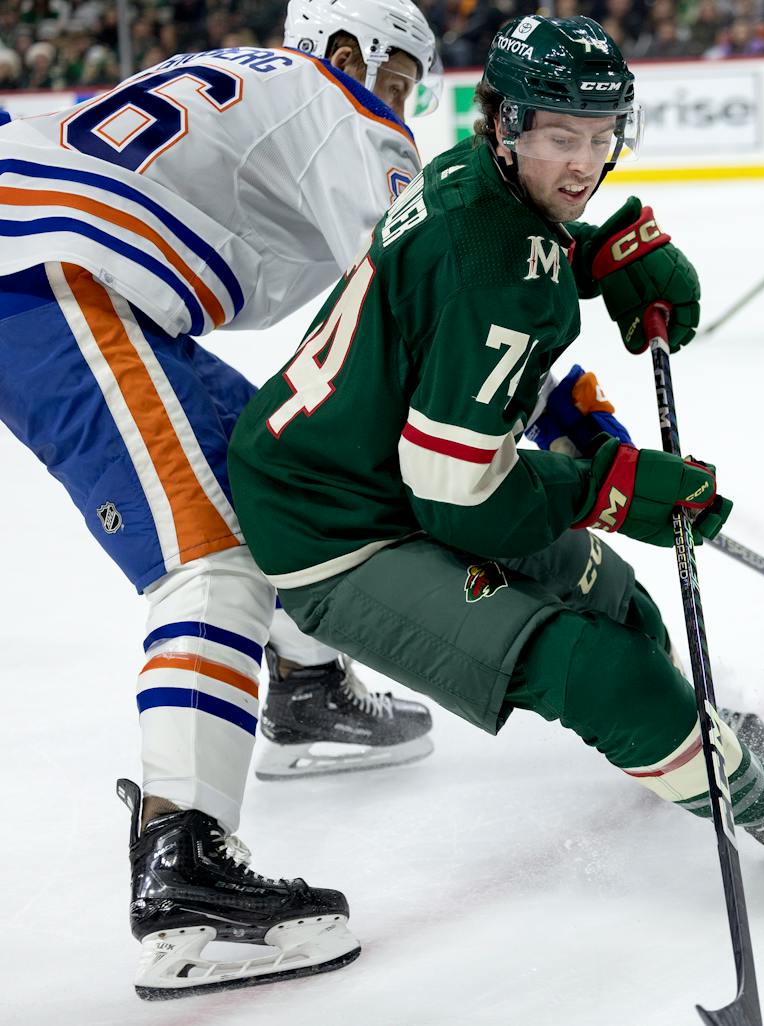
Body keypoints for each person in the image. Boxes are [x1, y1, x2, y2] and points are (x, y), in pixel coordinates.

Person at [226, 14, 764, 921]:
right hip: (336, 531)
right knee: (594, 670)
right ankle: (762, 805)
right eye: (557, 137)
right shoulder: (493, 274)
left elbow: (500, 259)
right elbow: (462, 502)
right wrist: (608, 489)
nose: (583, 164)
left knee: (617, 598)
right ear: (504, 126)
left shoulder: (471, 177)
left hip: (382, 473)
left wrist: (597, 255)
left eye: (599, 137)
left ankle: (689, 740)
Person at [0, 0, 442, 998]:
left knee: (269, 473)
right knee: (212, 560)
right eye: (400, 75)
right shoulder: (339, 101)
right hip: (52, 278)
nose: (403, 102)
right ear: (346, 48)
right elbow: (426, 298)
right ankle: (184, 872)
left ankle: (303, 687)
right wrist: (559, 422)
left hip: (62, 268)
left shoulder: (253, 78)